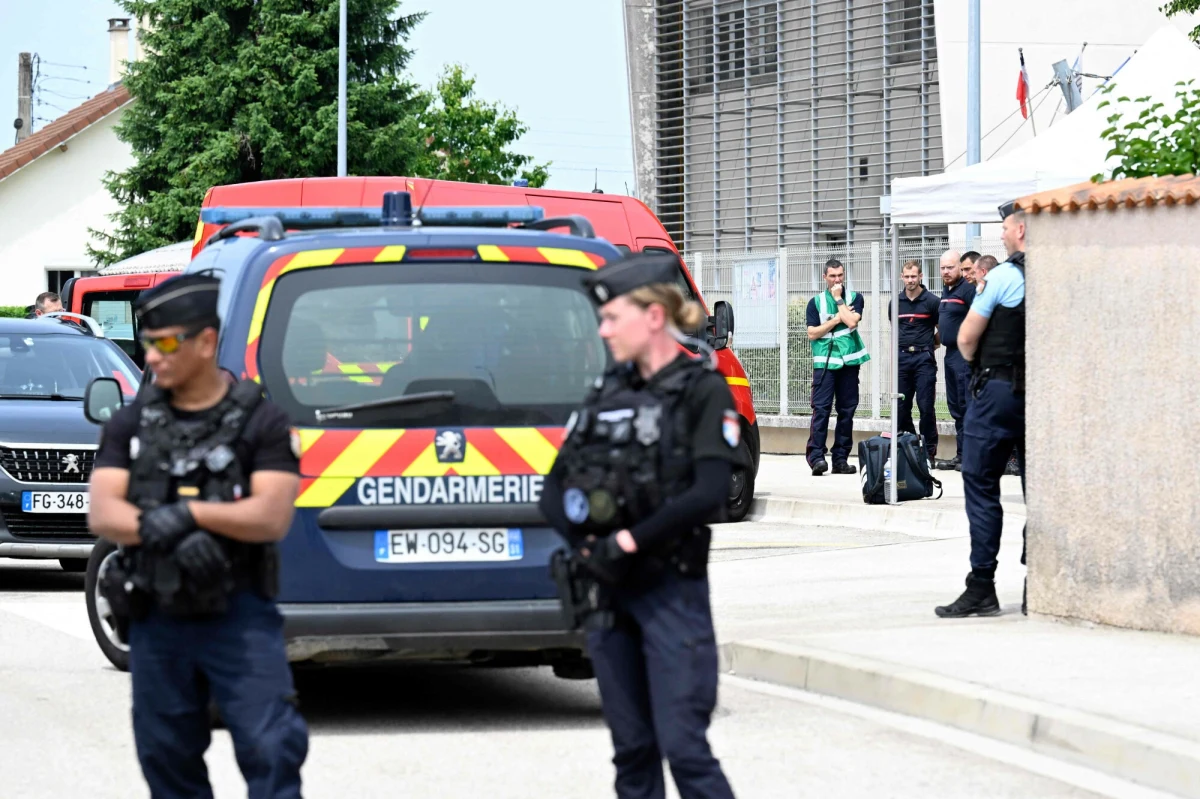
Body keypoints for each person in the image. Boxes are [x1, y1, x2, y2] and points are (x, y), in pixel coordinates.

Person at [87, 272, 309, 798]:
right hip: (159, 614)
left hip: (240, 613)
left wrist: (193, 518)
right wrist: (159, 531)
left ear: (206, 342)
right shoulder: (131, 422)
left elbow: (271, 515)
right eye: (147, 344)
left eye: (166, 344)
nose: (153, 357)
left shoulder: (262, 421)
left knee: (272, 747)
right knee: (165, 753)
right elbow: (103, 511)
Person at [539, 252, 737, 799]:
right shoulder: (606, 393)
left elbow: (708, 491)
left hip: (670, 593)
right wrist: (587, 550)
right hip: (607, 593)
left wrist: (627, 541)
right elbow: (552, 488)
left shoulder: (701, 391)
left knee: (685, 750)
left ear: (653, 315)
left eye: (611, 318)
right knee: (632, 753)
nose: (601, 330)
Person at [935, 203, 1027, 619]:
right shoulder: (1060, 272)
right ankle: (1039, 582)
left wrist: (976, 365)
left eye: (1006, 228)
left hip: (999, 391)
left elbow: (967, 337)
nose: (1003, 235)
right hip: (1044, 394)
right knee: (1040, 491)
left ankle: (982, 585)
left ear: (1021, 230)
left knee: (980, 479)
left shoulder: (1005, 276)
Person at [804, 258, 869, 476]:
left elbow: (852, 322)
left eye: (840, 275)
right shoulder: (815, 302)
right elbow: (812, 333)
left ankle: (840, 459)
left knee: (847, 411)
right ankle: (816, 458)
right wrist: (834, 320)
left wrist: (839, 301)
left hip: (849, 362)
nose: (837, 280)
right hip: (825, 363)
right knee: (821, 410)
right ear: (824, 277)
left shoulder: (854, 298)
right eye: (832, 276)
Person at [888, 260, 940, 464]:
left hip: (923, 360)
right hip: (902, 359)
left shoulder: (932, 301)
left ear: (921, 277)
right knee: (901, 405)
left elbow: (942, 329)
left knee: (926, 405)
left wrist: (929, 345)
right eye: (906, 276)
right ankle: (910, 447)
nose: (910, 280)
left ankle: (929, 452)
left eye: (914, 276)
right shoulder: (895, 302)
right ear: (902, 277)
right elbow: (895, 330)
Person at [935, 249, 976, 471]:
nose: (946, 271)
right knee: (955, 407)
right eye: (942, 268)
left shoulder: (968, 290)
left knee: (965, 404)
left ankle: (970, 457)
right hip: (949, 354)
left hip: (963, 355)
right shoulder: (946, 290)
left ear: (960, 267)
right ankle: (961, 455)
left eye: (950, 267)